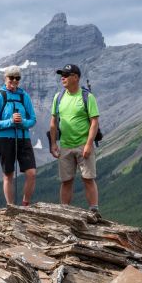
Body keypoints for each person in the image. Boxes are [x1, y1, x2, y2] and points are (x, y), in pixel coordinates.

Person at [49, 64, 100, 213]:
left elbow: (94, 122)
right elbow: (53, 123)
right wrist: (53, 144)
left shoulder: (87, 97)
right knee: (66, 181)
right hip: (65, 145)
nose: (62, 78)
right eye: (61, 75)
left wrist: (89, 145)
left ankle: (94, 210)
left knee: (88, 178)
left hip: (83, 144)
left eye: (66, 75)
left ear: (76, 77)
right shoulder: (58, 97)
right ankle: (65, 212)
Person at [0, 66, 37, 206]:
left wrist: (22, 122)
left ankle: (25, 204)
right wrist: (10, 121)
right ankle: (11, 207)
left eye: (17, 78)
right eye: (11, 78)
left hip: (23, 138)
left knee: (31, 173)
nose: (14, 81)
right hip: (5, 139)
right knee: (8, 174)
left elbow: (33, 119)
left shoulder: (24, 96)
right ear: (6, 78)